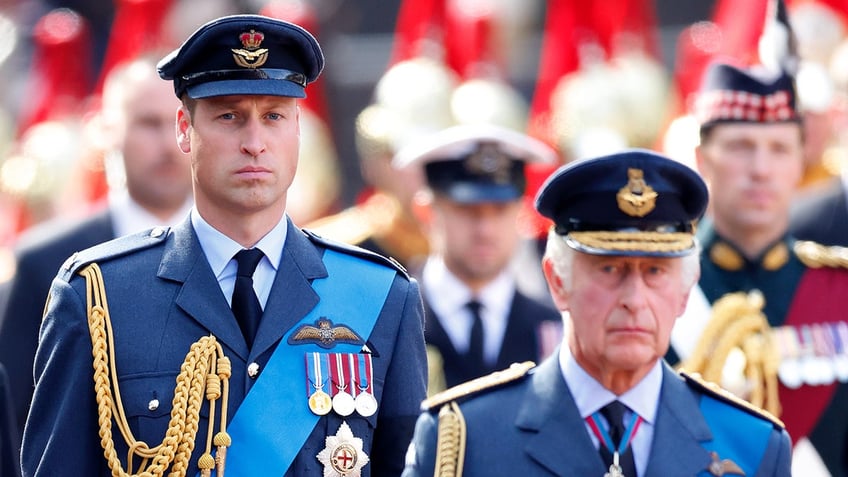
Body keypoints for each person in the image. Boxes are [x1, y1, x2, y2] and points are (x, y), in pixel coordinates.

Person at [21, 14, 426, 477]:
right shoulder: (99, 298)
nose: (254, 142)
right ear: (184, 129)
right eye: (229, 116)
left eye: (273, 116)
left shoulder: (381, 297)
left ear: (298, 129)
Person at [402, 149, 792, 476]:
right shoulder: (465, 438)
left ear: (685, 292)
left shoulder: (752, 443)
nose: (634, 299)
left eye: (655, 272)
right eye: (610, 269)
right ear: (557, 282)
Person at [0, 53, 193, 445]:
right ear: (106, 130)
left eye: (182, 123)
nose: (169, 144)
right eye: (148, 123)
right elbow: (16, 419)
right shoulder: (43, 262)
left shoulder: (246, 254)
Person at [674, 59, 848, 476]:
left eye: (779, 149)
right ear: (702, 158)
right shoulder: (660, 283)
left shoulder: (839, 288)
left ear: (802, 161)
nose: (761, 170)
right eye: (740, 147)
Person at [393, 124, 562, 394]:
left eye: (500, 210)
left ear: (520, 212)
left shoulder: (553, 330)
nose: (486, 230)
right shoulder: (392, 319)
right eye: (467, 210)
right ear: (426, 212)